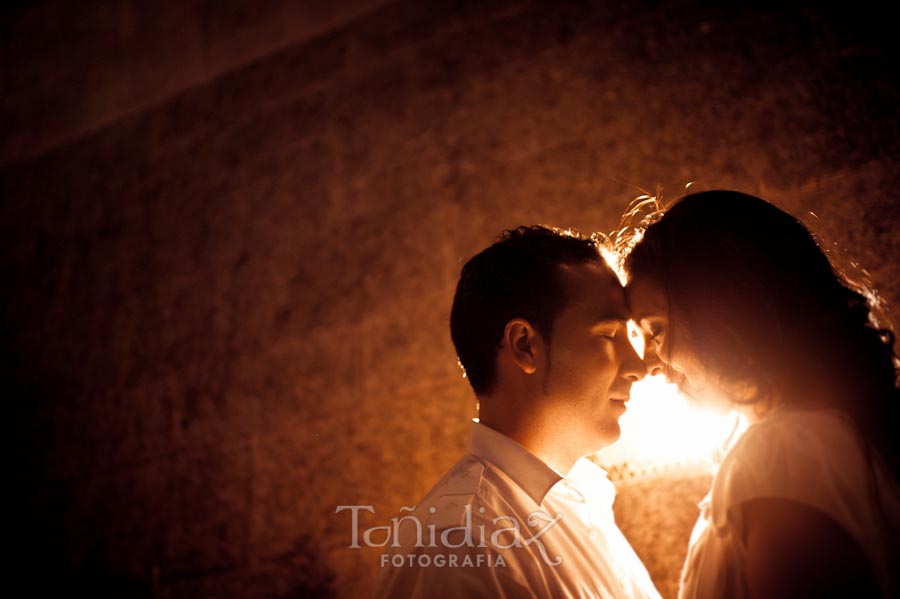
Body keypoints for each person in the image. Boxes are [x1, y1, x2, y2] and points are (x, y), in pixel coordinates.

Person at [623, 190, 900, 599]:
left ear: (720, 313)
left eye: (657, 331)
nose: (648, 363)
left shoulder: (778, 454)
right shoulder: (838, 429)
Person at [376, 226, 661, 598]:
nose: (638, 366)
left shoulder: (583, 498)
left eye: (633, 338)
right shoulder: (462, 545)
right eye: (609, 336)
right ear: (525, 346)